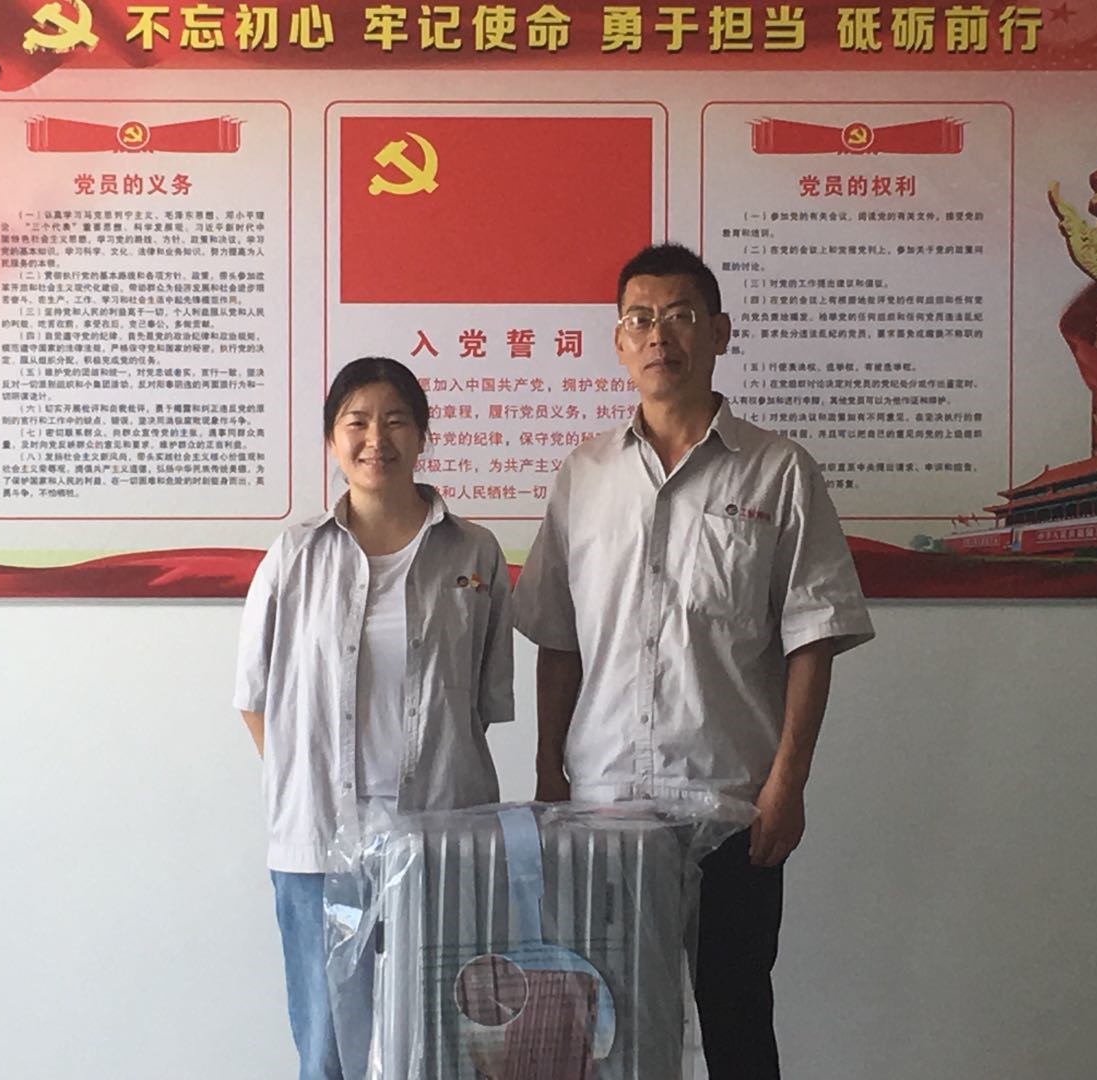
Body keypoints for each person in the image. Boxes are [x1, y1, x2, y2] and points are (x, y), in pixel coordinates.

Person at [511, 243, 874, 1078]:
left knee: (738, 1026)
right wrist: (547, 775)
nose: (659, 335)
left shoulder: (778, 472)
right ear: (618, 340)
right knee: (608, 1032)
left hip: (732, 805)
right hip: (604, 806)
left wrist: (788, 783)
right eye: (640, 319)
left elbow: (813, 638)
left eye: (679, 316)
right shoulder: (583, 476)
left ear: (719, 331)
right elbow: (559, 639)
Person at [234, 356, 513, 1080]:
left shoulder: (474, 552)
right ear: (332, 440)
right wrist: (312, 785)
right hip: (317, 848)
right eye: (355, 422)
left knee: (440, 1045)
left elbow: (482, 702)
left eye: (395, 421)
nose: (375, 439)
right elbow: (255, 698)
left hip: (443, 841)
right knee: (328, 1052)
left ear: (422, 434)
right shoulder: (295, 555)